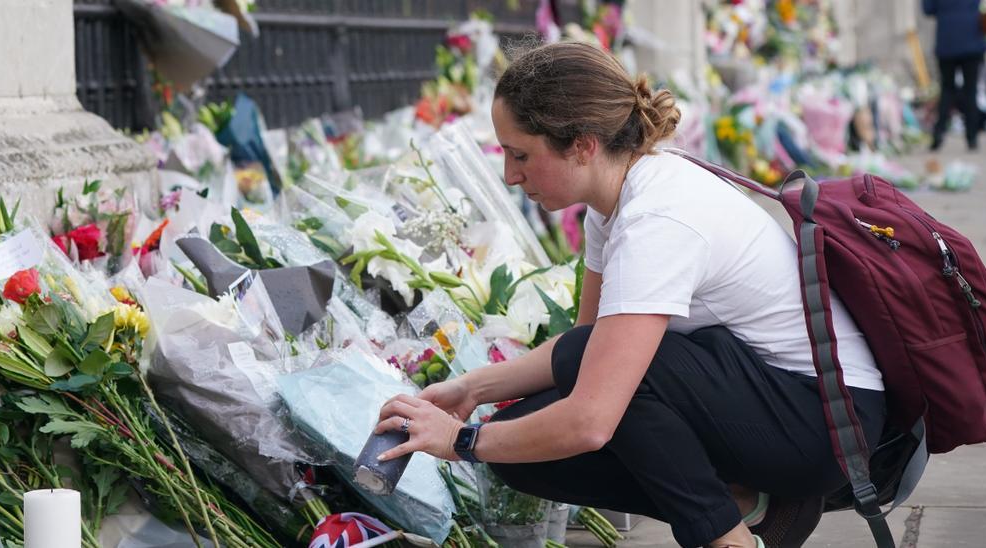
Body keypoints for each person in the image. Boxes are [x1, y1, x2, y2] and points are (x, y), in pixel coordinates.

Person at [373, 42, 887, 548]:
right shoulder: (616, 198)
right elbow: (585, 344)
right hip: (779, 402)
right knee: (521, 435)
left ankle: (728, 540)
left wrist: (460, 440)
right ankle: (755, 506)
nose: (510, 176)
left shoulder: (656, 219)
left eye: (520, 154)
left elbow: (591, 420)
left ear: (582, 144)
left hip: (826, 424)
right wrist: (472, 391)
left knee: (590, 390)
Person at [924, 0, 986, 151]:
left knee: (947, 89)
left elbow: (928, 9)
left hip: (947, 41)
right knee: (971, 90)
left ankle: (938, 134)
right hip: (972, 39)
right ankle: (972, 138)